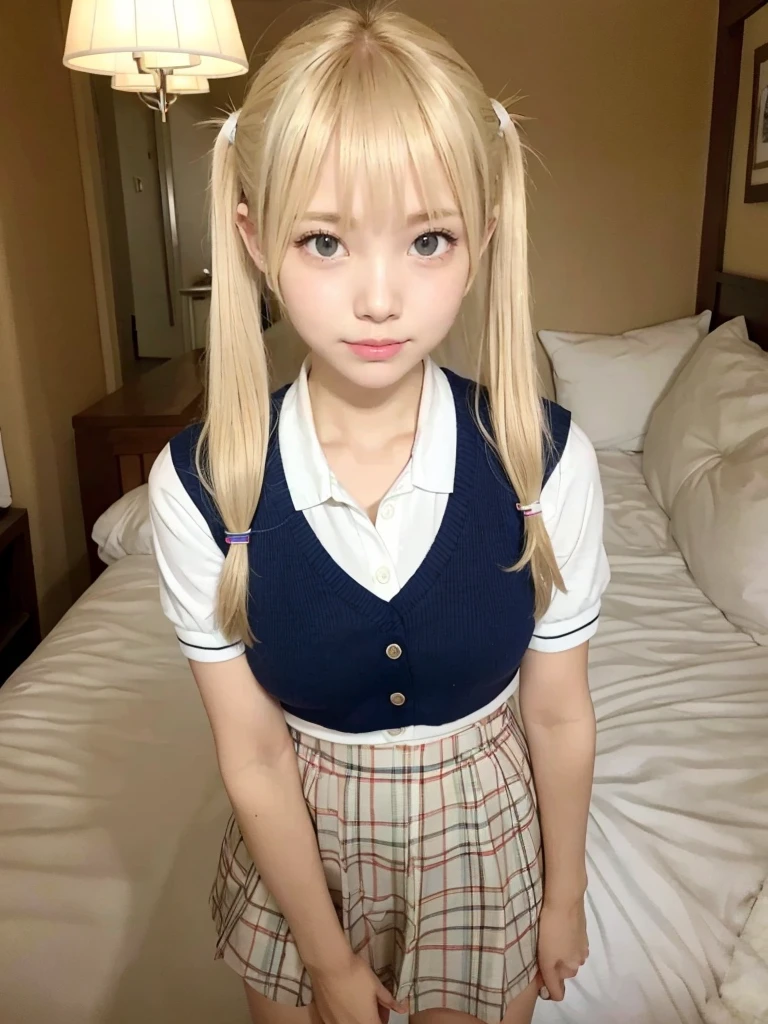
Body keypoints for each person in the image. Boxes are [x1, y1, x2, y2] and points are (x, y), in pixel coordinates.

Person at [148, 5, 610, 1024]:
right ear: (255, 238)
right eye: (324, 241)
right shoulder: (198, 487)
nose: (379, 297)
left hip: (481, 833)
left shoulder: (548, 463)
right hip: (297, 844)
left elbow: (558, 711)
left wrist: (565, 894)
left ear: (482, 240)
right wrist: (325, 960)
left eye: (428, 239)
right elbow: (256, 752)